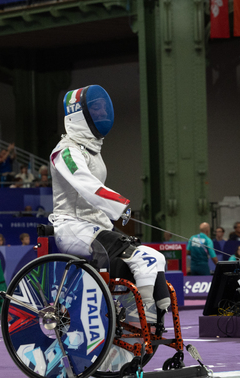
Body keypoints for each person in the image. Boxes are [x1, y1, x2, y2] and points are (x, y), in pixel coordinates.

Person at [49, 85, 172, 315]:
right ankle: (145, 311)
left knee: (154, 256)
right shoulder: (64, 152)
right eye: (97, 109)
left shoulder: (93, 151)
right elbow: (86, 185)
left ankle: (152, 320)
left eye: (104, 108)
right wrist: (120, 204)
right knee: (139, 258)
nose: (103, 113)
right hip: (73, 227)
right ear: (80, 115)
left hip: (98, 227)